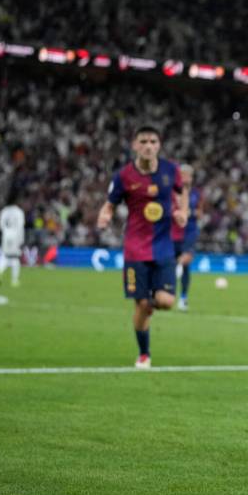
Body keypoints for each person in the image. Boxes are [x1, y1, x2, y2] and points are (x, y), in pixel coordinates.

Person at [97, 126, 188, 369]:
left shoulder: (171, 170)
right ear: (135, 145)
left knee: (166, 301)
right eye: (144, 141)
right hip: (136, 249)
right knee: (142, 305)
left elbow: (182, 191)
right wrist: (104, 216)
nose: (149, 146)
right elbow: (109, 204)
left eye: (153, 141)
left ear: (159, 145)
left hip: (164, 247)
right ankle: (144, 353)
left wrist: (182, 211)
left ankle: (152, 301)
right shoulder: (124, 176)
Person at [172, 164, 203, 311]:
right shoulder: (172, 192)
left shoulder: (196, 193)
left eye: (188, 175)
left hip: (190, 231)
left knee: (186, 261)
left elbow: (200, 213)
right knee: (172, 263)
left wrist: (189, 213)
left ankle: (183, 298)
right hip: (173, 231)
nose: (185, 177)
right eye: (182, 175)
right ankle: (168, 293)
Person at [0, 195, 25, 287]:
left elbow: (0, 225)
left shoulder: (4, 211)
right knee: (15, 259)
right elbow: (20, 226)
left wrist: (5, 232)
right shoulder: (19, 212)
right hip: (15, 235)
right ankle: (14, 281)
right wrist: (21, 240)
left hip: (6, 235)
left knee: (6, 256)